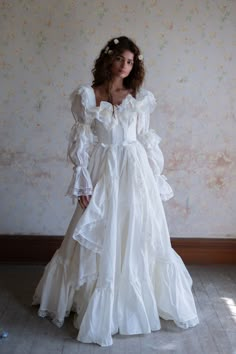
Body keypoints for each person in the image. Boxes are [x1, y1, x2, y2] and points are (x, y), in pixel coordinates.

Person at [33, 36, 199, 347]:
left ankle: (135, 299)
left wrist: (155, 177)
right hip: (104, 171)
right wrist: (82, 180)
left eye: (131, 61)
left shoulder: (140, 97)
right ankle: (93, 298)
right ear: (108, 59)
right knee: (100, 230)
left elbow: (146, 139)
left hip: (135, 173)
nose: (125, 66)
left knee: (137, 230)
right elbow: (81, 142)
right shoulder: (88, 96)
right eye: (121, 59)